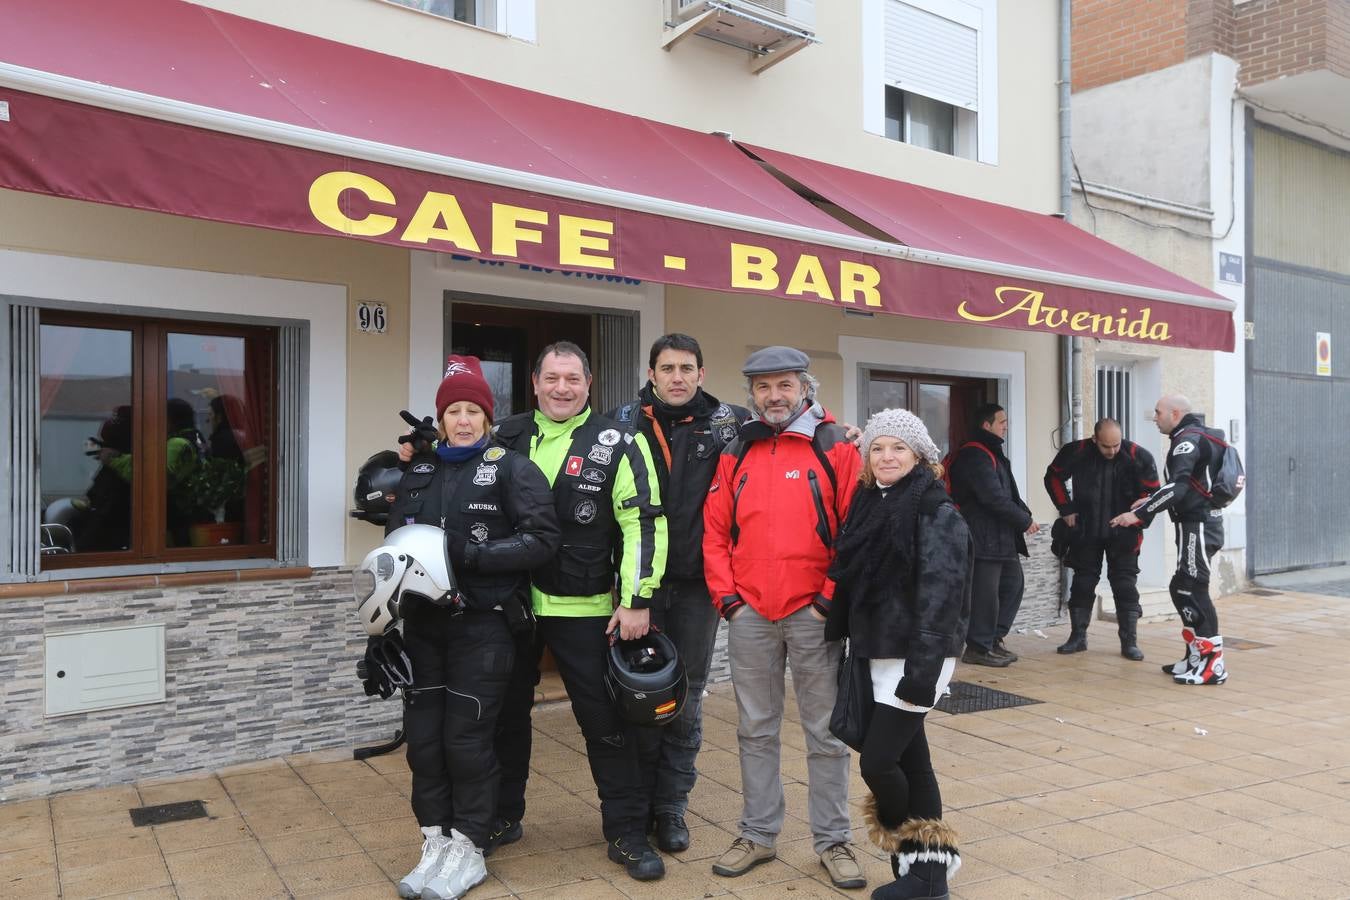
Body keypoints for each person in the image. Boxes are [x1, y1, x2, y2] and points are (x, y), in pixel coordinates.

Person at [490, 341, 671, 881]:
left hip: (587, 608)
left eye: (572, 378)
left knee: (607, 724)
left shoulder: (618, 442)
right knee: (504, 718)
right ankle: (502, 817)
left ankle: (627, 832)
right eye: (552, 378)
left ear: (589, 384)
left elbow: (644, 522)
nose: (561, 388)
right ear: (535, 382)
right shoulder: (505, 437)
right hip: (512, 606)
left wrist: (637, 599)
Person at [388, 355, 561, 900]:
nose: (463, 420)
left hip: (484, 626)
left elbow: (542, 540)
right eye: (453, 411)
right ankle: (435, 841)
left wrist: (472, 553)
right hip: (422, 628)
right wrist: (382, 627)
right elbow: (393, 549)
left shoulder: (512, 467)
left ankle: (468, 847)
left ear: (488, 418)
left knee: (467, 741)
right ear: (440, 419)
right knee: (424, 743)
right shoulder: (417, 470)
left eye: (473, 411)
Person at [703, 346, 867, 890]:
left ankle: (833, 840)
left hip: (812, 611)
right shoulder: (736, 450)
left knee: (825, 732)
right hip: (750, 610)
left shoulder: (836, 444)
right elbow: (715, 530)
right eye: (763, 387)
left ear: (804, 388)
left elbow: (852, 530)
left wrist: (827, 598)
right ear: (751, 394)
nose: (774, 396)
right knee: (754, 727)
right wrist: (727, 599)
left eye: (785, 385)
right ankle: (757, 833)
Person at [606, 333, 749, 854]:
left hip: (694, 587)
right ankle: (636, 806)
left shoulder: (730, 424)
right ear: (651, 373)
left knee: (683, 702)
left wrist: (838, 429)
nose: (677, 377)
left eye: (687, 368)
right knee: (635, 698)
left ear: (701, 374)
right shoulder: (620, 422)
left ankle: (671, 808)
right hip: (632, 588)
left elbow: (792, 425)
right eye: (667, 368)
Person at [826, 409, 970, 900]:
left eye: (899, 449)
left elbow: (943, 595)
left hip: (917, 656)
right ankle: (927, 877)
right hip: (880, 651)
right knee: (915, 764)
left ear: (920, 456)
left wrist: (923, 671)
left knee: (879, 761)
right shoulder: (871, 502)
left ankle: (904, 843)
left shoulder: (935, 512)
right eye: (878, 448)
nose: (887, 456)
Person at [1110, 395, 1229, 685]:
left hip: (1198, 524)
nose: (1154, 416)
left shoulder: (1186, 441)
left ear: (1175, 413)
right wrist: (1149, 500)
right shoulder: (1194, 436)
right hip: (1197, 522)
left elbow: (1178, 487)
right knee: (1183, 587)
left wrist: (1139, 514)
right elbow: (1183, 487)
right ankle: (1195, 657)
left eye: (1158, 411)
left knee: (1191, 588)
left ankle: (1212, 664)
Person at [1043, 418, 1159, 660]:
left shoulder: (1139, 455)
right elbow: (1052, 477)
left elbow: (1154, 496)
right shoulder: (1076, 452)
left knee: (1125, 586)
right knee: (1082, 584)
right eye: (1106, 446)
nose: (1112, 451)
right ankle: (1078, 637)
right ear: (1095, 439)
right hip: (1086, 530)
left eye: (1116, 445)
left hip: (1124, 533)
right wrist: (1066, 509)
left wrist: (1138, 516)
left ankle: (1129, 642)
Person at [947, 403, 1038, 668]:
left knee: (1013, 586)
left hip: (1001, 537)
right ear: (986, 425)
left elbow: (1008, 493)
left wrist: (1026, 515)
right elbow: (992, 497)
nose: (1006, 426)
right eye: (1001, 421)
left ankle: (993, 639)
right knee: (985, 595)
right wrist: (1023, 520)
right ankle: (978, 647)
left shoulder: (992, 453)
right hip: (983, 537)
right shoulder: (974, 455)